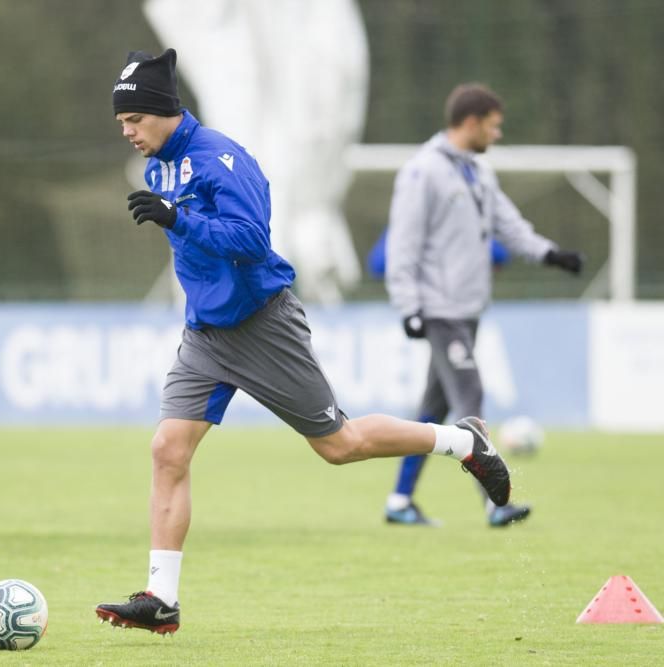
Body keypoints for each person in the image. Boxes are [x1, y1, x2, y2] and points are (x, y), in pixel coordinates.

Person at [95, 50, 514, 636]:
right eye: (121, 123)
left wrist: (177, 219)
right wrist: (176, 221)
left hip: (263, 326)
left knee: (340, 445)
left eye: (133, 120)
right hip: (205, 333)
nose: (127, 131)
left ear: (162, 110)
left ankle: (461, 441)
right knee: (168, 449)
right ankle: (162, 597)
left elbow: (250, 239)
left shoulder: (220, 158)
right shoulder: (160, 163)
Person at [383, 83, 583, 527]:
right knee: (469, 396)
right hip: (440, 311)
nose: (497, 135)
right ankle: (496, 501)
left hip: (467, 310)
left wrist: (550, 253)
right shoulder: (423, 172)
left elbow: (509, 226)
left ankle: (399, 501)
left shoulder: (478, 173)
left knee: (433, 410)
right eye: (493, 126)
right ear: (471, 123)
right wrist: (409, 305)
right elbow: (404, 244)